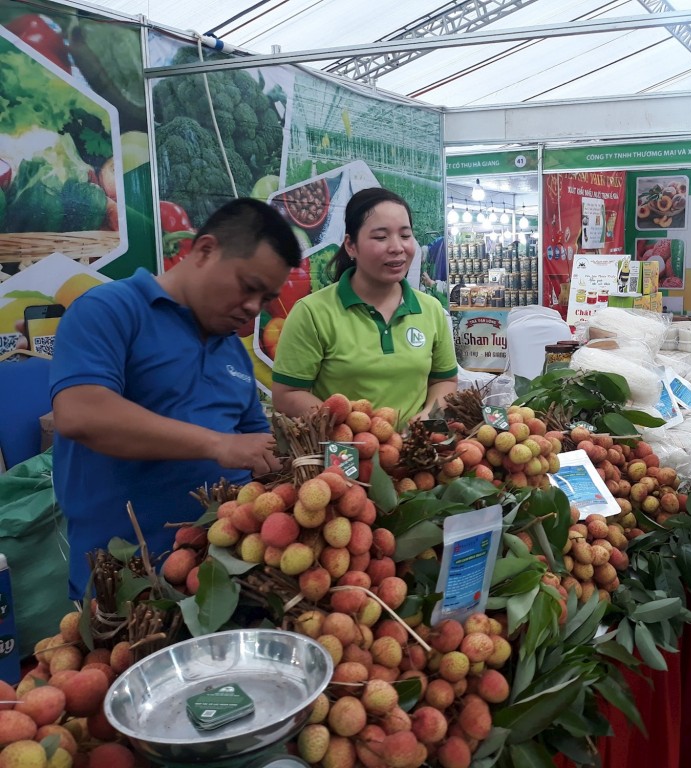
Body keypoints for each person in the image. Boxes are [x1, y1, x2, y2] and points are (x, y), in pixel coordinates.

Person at [50, 198, 301, 598]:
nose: (254, 307)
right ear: (204, 250)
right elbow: (81, 412)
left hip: (223, 579)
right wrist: (218, 444)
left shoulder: (233, 352)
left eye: (265, 299)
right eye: (249, 287)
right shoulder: (109, 310)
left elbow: (259, 452)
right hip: (128, 586)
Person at [271, 187, 457, 424]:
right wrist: (353, 429)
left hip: (415, 454)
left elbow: (444, 381)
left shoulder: (430, 310)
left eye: (405, 235)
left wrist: (428, 417)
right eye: (381, 237)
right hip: (344, 456)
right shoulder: (312, 312)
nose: (397, 247)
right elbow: (287, 395)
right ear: (351, 245)